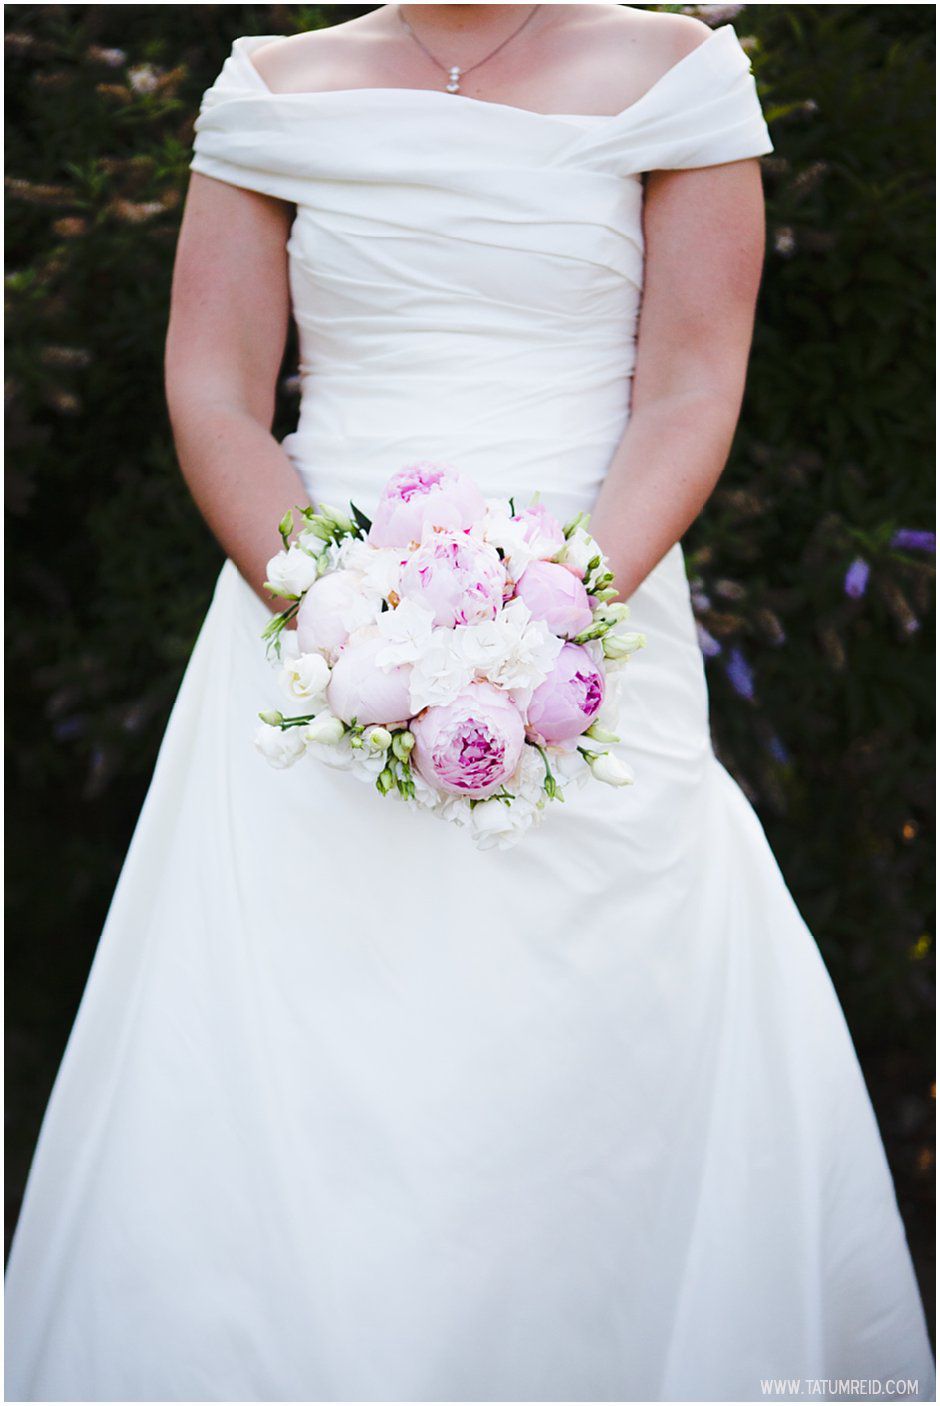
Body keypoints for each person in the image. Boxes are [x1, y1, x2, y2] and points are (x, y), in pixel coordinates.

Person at [5, 6, 934, 1401]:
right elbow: (214, 390)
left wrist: (543, 623)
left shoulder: (675, 76)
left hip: (591, 616)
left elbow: (690, 385)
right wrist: (331, 610)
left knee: (595, 1044)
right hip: (309, 622)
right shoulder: (270, 88)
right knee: (292, 1053)